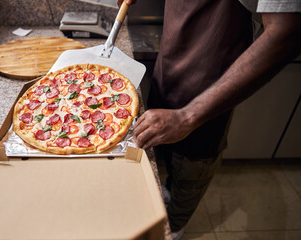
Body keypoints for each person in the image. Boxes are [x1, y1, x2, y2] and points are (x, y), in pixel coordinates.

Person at [118, 0, 301, 238]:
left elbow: (287, 30)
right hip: (171, 68)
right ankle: (169, 193)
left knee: (193, 167)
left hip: (208, 91)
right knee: (170, 157)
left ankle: (176, 224)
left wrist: (188, 117)